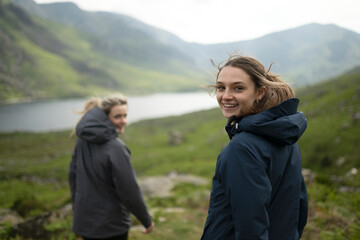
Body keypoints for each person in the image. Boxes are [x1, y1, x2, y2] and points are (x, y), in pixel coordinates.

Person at [201, 55, 308, 239]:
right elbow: (300, 207)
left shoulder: (241, 149)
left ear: (260, 92)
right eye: (221, 87)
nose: (226, 96)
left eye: (238, 88)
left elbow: (251, 227)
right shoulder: (286, 138)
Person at [69, 94, 155, 240]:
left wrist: (78, 214)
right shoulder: (116, 148)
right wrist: (146, 220)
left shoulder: (82, 141)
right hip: (112, 227)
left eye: (125, 115)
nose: (124, 121)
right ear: (105, 117)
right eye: (118, 117)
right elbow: (129, 191)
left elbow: (73, 178)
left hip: (86, 225)